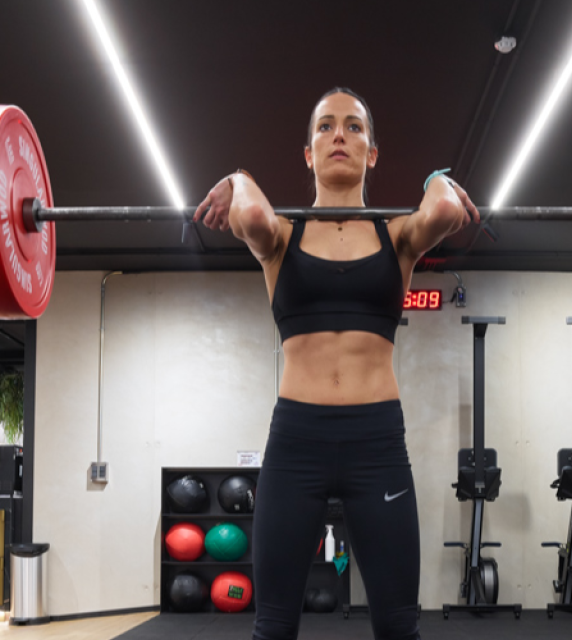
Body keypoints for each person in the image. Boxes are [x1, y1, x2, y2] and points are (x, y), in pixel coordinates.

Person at [192, 87, 478, 640]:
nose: (339, 135)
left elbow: (443, 209)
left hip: (377, 443)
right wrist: (239, 177)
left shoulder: (396, 236)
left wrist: (436, 177)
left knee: (398, 627)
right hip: (297, 440)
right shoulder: (281, 236)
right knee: (273, 627)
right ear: (309, 153)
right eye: (325, 127)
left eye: (353, 127)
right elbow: (248, 212)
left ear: (373, 152)